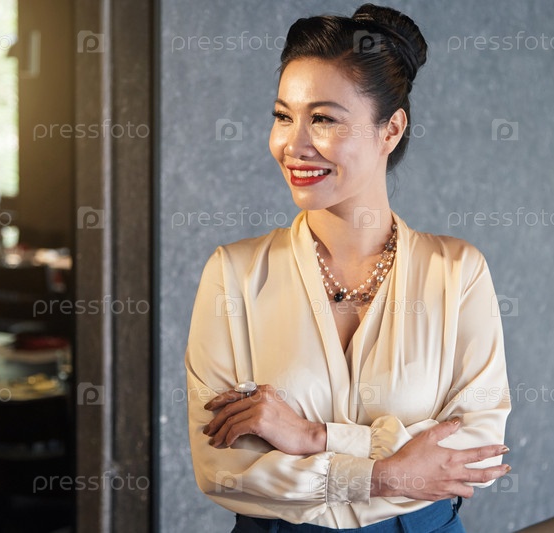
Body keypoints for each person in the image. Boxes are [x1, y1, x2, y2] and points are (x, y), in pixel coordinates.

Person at [185, 4, 511, 532]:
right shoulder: (233, 275)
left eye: (323, 119)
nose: (292, 144)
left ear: (391, 130)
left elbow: (476, 450)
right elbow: (222, 470)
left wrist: (313, 438)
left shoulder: (457, 273)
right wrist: (385, 475)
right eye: (283, 116)